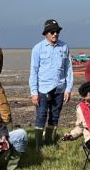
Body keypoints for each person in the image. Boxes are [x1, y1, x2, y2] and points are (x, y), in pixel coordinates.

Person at [29, 19, 73, 147]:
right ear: (46, 33)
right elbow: (34, 71)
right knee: (41, 115)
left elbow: (68, 69)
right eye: (52, 32)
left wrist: (68, 89)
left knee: (54, 116)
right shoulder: (38, 48)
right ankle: (38, 145)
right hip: (43, 89)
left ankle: (50, 142)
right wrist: (34, 92)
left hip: (59, 88)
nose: (55, 34)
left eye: (57, 31)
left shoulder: (64, 47)